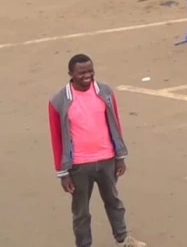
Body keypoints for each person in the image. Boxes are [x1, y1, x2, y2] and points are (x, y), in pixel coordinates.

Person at [49, 54, 146, 247]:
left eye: (90, 71)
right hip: (78, 166)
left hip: (107, 160)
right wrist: (63, 173)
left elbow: (115, 124)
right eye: (82, 72)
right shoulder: (58, 100)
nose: (87, 75)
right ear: (70, 74)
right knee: (81, 212)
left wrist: (120, 157)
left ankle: (123, 239)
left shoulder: (105, 91)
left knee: (114, 202)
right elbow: (56, 138)